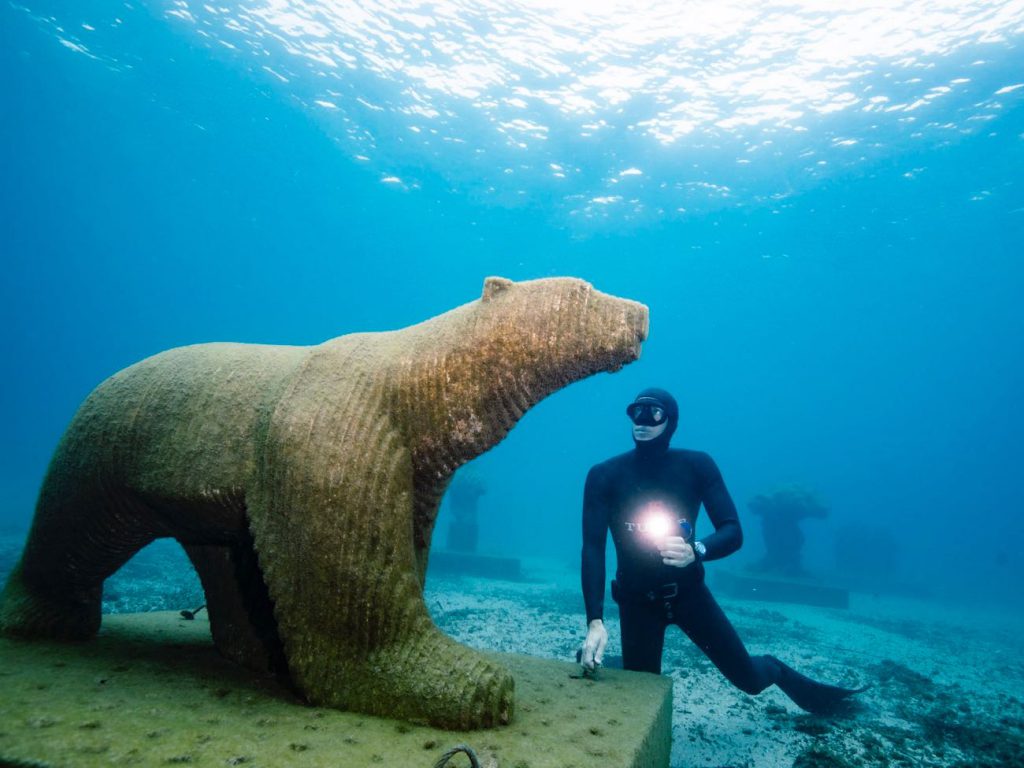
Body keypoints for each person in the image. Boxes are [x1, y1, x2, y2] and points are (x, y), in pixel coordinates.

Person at [578, 387, 865, 714]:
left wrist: (696, 550)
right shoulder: (604, 475)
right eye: (636, 412)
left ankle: (777, 669)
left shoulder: (696, 466)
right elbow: (593, 548)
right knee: (640, 698)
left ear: (670, 421)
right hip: (637, 602)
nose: (642, 421)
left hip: (689, 596)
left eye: (653, 413)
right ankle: (626, 664)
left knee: (751, 681)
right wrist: (595, 620)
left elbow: (733, 531)